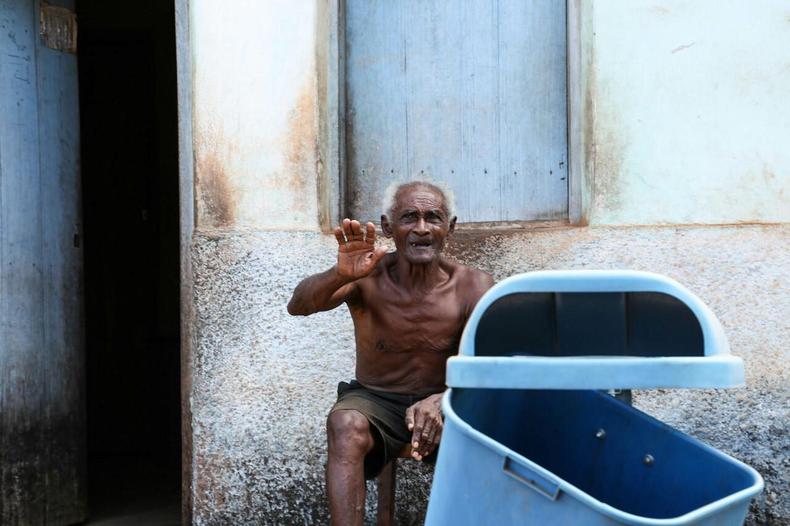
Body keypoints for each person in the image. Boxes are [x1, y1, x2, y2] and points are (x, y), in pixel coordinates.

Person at [287, 181, 494, 525]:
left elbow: (488, 364)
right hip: (377, 401)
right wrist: (338, 274)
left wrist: (444, 399)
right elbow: (299, 306)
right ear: (387, 226)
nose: (422, 229)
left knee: (499, 426)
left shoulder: (474, 285)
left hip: (449, 399)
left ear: (450, 228)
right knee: (345, 423)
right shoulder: (367, 275)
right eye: (409, 217)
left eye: (434, 218)